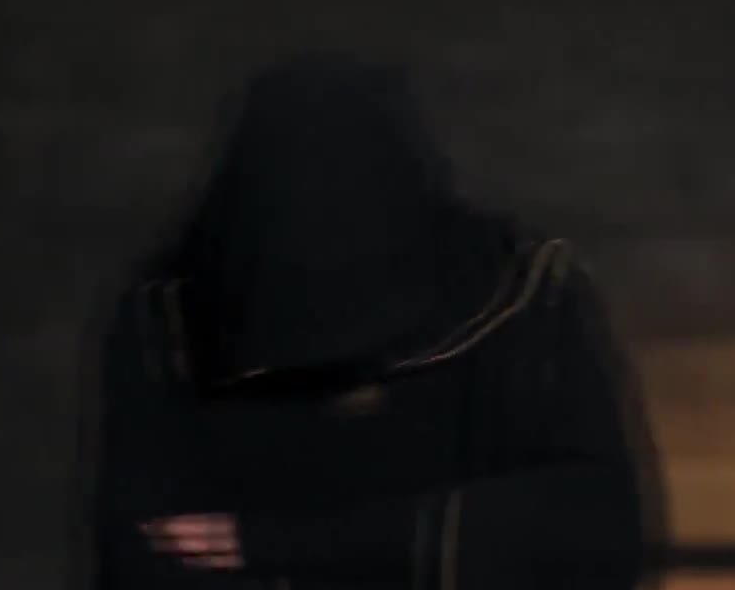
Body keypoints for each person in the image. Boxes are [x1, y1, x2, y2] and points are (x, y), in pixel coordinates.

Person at [87, 55, 667, 590]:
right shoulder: (170, 323)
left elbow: (593, 526)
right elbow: (149, 551)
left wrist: (288, 543)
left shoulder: (521, 297)